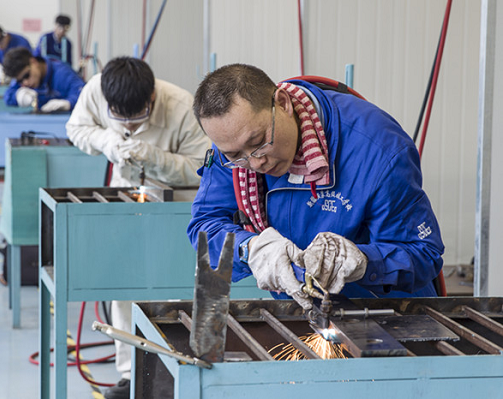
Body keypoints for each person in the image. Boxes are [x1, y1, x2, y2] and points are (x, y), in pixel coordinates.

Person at [188, 63, 445, 313]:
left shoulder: (377, 149)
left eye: (258, 142)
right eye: (235, 155)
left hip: (388, 314)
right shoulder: (231, 151)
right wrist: (250, 248)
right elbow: (206, 225)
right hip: (304, 311)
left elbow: (423, 253)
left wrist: (364, 262)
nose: (254, 163)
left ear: (283, 103)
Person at [66, 56, 210, 399]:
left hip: (177, 206)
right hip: (127, 197)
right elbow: (76, 129)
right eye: (121, 119)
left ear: (152, 99)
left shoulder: (181, 108)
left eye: (137, 117)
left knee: (173, 288)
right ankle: (132, 375)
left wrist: (155, 158)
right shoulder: (95, 91)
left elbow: (203, 169)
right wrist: (107, 142)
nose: (129, 125)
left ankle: (175, 370)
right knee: (125, 283)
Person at [2, 47, 85, 113]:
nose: (25, 83)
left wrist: (69, 103)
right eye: (19, 81)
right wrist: (17, 96)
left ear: (33, 62)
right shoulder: (22, 76)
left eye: (27, 76)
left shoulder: (63, 74)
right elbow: (8, 96)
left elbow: (84, 94)